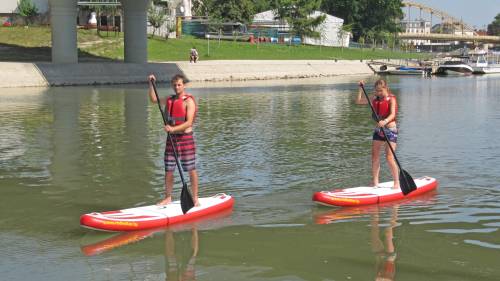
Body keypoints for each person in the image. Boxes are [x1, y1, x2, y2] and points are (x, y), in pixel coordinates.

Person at [148, 74, 200, 206]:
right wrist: (150, 83)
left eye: (179, 85)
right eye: (174, 85)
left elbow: (188, 123)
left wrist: (173, 129)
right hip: (171, 139)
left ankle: (195, 198)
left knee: (191, 169)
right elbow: (154, 100)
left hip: (185, 139)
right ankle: (168, 197)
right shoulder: (170, 99)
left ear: (184, 85)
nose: (176, 87)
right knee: (169, 169)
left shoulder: (189, 101)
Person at [358, 79, 399, 189]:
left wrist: (384, 121)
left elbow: (392, 114)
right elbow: (358, 101)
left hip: (390, 130)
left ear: (386, 88)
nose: (378, 93)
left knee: (389, 157)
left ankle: (397, 182)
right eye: (376, 91)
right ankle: (375, 182)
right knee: (374, 156)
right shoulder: (374, 98)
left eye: (380, 90)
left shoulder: (392, 99)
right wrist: (360, 89)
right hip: (379, 131)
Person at [371, 205, 398, 281]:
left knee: (374, 230)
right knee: (388, 232)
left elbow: (376, 275)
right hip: (389, 258)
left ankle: (374, 209)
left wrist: (377, 258)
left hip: (379, 257)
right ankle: (395, 208)